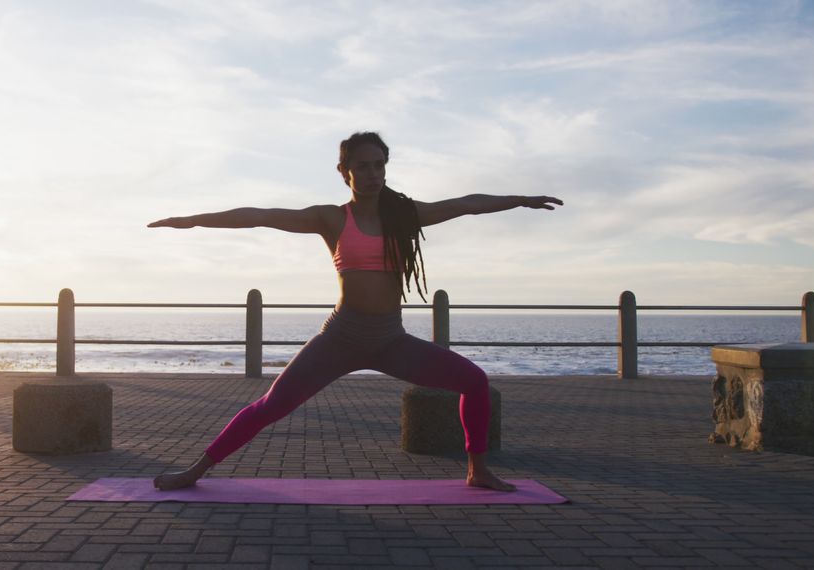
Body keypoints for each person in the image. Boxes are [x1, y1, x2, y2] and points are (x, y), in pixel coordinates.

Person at [147, 132, 563, 492]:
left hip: (389, 340)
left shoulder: (405, 214)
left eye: (380, 165)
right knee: (271, 406)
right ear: (344, 171)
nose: (373, 174)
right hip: (341, 338)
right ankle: (196, 470)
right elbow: (260, 217)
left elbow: (465, 204)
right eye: (362, 166)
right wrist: (191, 220)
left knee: (474, 381)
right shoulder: (330, 218)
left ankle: (478, 470)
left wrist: (519, 200)